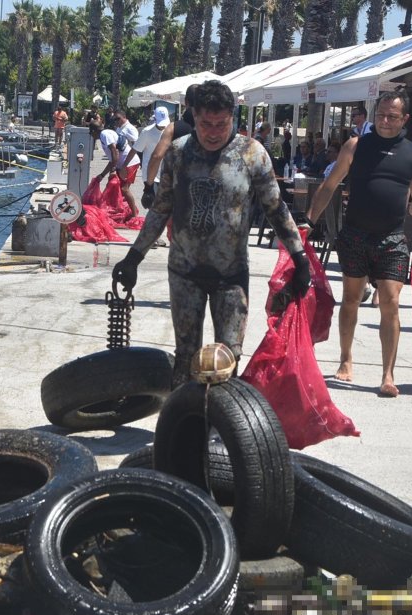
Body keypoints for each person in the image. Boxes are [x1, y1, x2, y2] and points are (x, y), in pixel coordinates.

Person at [112, 80, 311, 387]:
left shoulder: (252, 154)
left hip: (230, 274)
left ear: (234, 117)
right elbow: (160, 209)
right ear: (194, 116)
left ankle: (221, 425)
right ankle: (184, 426)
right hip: (184, 271)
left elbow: (276, 208)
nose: (214, 132)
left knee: (227, 359)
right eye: (206, 124)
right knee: (186, 357)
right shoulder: (178, 154)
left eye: (222, 124)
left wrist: (299, 257)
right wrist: (133, 257)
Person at [308, 90, 412, 397]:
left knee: (390, 302)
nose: (385, 121)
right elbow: (329, 185)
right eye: (381, 115)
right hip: (355, 234)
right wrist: (309, 220)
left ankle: (388, 374)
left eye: (392, 116)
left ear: (405, 119)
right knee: (351, 298)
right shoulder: (355, 146)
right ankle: (346, 358)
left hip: (392, 238)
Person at [141, 84, 199, 208]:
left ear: (185, 101)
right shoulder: (213, 128)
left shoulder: (173, 127)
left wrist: (148, 187)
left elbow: (157, 156)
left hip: (180, 187)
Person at [96, 110, 141, 218]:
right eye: (114, 119)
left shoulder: (106, 134)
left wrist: (114, 169)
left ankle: (134, 215)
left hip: (130, 162)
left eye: (118, 118)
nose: (116, 121)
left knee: (124, 189)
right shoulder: (112, 131)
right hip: (122, 163)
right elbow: (113, 158)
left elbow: (116, 151)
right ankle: (120, 211)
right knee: (113, 187)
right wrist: (102, 175)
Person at [127, 106, 171, 210]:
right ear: (154, 119)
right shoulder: (146, 132)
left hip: (165, 173)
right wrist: (125, 165)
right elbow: (135, 149)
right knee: (154, 203)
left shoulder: (171, 131)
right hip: (150, 174)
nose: (162, 127)